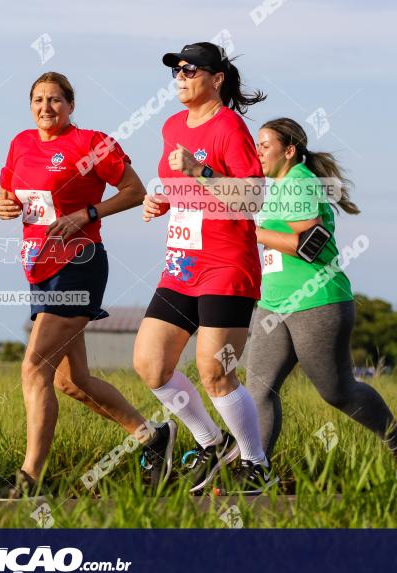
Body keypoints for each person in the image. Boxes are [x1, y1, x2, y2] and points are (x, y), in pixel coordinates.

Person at [0, 71, 177, 500]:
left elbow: (134, 191)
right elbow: (8, 195)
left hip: (80, 263)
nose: (46, 107)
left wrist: (87, 214)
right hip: (39, 268)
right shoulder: (21, 143)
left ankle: (30, 478)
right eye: (38, 99)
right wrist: (3, 206)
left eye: (55, 100)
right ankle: (153, 437)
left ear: (71, 105)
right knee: (71, 381)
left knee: (33, 368)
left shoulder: (92, 142)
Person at [136, 42, 277, 495]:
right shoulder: (172, 125)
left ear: (216, 78)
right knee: (151, 365)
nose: (180, 76)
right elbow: (182, 192)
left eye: (190, 69)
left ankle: (256, 463)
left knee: (215, 370)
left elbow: (253, 199)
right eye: (176, 70)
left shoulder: (229, 126)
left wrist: (200, 172)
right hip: (182, 263)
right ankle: (209, 443)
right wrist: (159, 200)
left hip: (227, 264)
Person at [246, 117, 397, 463]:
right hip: (274, 303)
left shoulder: (300, 181)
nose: (258, 153)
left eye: (265, 146)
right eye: (257, 145)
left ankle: (396, 440)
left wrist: (252, 232)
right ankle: (256, 468)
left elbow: (309, 245)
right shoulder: (279, 185)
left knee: (337, 391)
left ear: (289, 150)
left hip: (315, 301)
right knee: (258, 388)